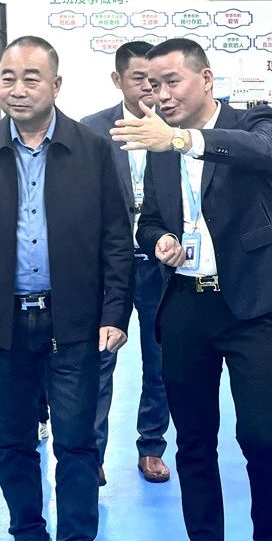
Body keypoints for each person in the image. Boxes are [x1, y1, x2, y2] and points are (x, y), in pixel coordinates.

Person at [0, 36, 133, 541]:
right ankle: (29, 540)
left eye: (31, 78)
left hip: (72, 321)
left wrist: (114, 312)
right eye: (8, 77)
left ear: (56, 85)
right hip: (4, 322)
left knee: (75, 441)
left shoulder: (92, 150)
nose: (18, 89)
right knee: (12, 441)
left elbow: (116, 238)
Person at [112, 38, 272, 541]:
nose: (161, 94)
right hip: (186, 305)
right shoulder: (160, 146)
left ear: (207, 79)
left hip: (249, 307)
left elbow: (259, 153)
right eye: (153, 85)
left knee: (261, 437)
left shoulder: (254, 122)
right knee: (193, 441)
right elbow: (148, 219)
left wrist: (182, 139)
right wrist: (160, 240)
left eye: (172, 82)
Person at [81, 41, 171, 485]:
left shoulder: (176, 130)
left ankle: (151, 447)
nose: (149, 88)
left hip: (161, 263)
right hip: (108, 267)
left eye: (156, 80)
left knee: (160, 362)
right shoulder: (91, 131)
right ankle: (92, 454)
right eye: (139, 79)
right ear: (117, 80)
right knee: (99, 361)